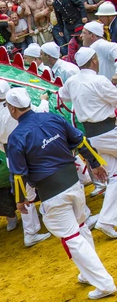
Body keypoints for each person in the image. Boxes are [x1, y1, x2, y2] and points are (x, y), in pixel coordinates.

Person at [6, 87, 116, 300]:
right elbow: (80, 140)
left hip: (52, 193)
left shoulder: (17, 136)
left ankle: (104, 284)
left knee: (72, 237)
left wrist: (19, 199)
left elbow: (18, 175)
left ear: (12, 109)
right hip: (74, 185)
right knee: (81, 228)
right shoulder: (53, 118)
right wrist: (94, 164)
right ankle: (88, 273)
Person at [59, 47, 117, 238]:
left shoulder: (72, 81)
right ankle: (108, 219)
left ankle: (107, 220)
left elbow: (63, 95)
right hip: (109, 133)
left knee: (115, 176)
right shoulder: (98, 80)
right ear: (94, 61)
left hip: (92, 137)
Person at [0, 80, 53, 245]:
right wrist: (44, 99)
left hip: (13, 156)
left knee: (25, 195)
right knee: (49, 185)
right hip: (35, 151)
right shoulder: (23, 110)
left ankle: (30, 234)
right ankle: (58, 219)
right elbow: (42, 113)